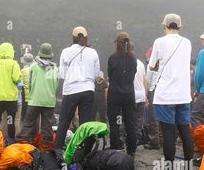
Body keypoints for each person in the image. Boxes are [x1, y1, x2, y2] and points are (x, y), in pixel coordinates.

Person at [149, 14, 194, 170]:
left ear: (164, 25)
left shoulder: (159, 42)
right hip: (183, 95)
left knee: (168, 134)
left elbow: (153, 65)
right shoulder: (187, 42)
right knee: (185, 134)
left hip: (166, 94)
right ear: (180, 27)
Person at [54, 26, 100, 156]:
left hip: (71, 90)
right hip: (88, 90)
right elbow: (96, 74)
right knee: (85, 122)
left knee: (64, 120)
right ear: (85, 37)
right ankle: (84, 150)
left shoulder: (66, 51)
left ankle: (58, 149)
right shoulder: (93, 52)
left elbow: (62, 74)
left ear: (73, 38)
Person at [17, 43, 58, 148]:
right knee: (47, 125)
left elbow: (30, 83)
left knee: (28, 122)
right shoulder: (55, 68)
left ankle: (23, 143)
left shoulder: (34, 66)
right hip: (49, 100)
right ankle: (46, 146)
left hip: (35, 99)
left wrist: (31, 94)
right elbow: (56, 84)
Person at [107, 32, 138, 158]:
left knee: (114, 123)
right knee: (130, 122)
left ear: (117, 44)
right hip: (129, 94)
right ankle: (131, 149)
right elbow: (134, 73)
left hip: (114, 94)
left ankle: (115, 147)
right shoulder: (133, 58)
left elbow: (110, 75)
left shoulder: (113, 58)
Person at [0, 42, 22, 144]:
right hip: (10, 99)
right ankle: (11, 140)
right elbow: (16, 79)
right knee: (10, 120)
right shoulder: (14, 64)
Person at [144, 47, 161, 150]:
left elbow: (148, 80)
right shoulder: (162, 64)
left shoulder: (151, 64)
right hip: (164, 90)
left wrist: (146, 94)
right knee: (163, 115)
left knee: (152, 117)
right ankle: (163, 139)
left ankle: (154, 141)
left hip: (153, 89)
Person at [131, 43, 147, 147]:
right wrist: (145, 95)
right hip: (141, 95)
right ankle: (137, 139)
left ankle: (129, 139)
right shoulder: (140, 63)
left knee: (128, 119)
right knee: (138, 119)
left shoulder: (125, 63)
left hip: (130, 95)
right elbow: (145, 80)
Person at [20, 53, 34, 120]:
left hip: (24, 95)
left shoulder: (22, 71)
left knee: (24, 113)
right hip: (33, 95)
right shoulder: (34, 69)